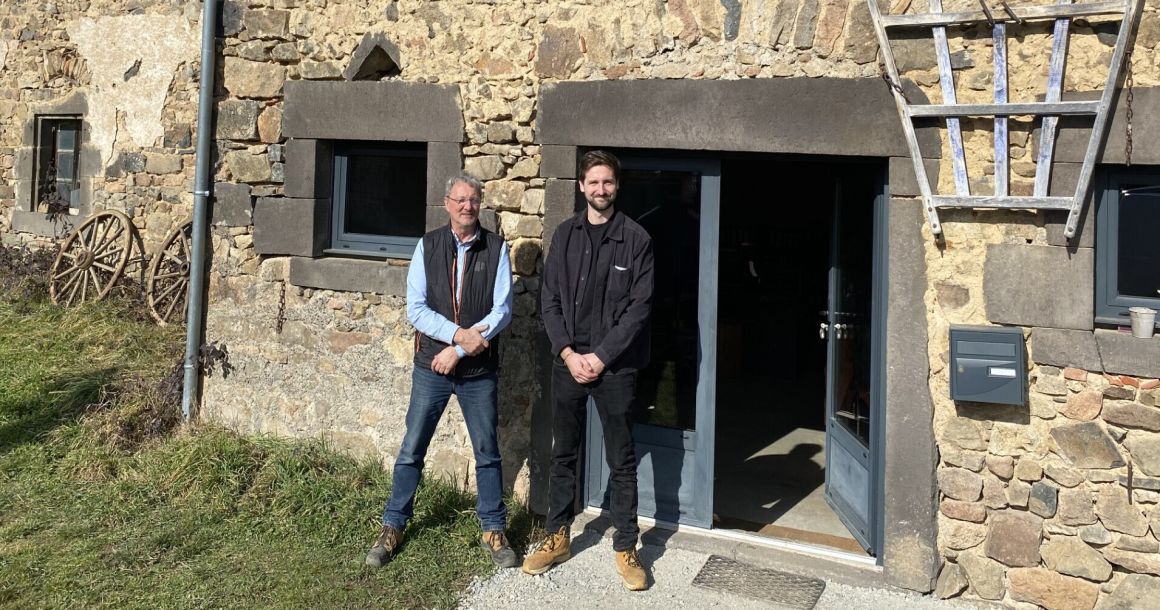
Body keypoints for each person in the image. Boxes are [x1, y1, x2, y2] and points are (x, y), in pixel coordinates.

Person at [366, 173, 517, 569]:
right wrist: (456, 338)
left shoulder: (497, 249)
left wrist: (459, 350)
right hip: (431, 367)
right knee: (412, 448)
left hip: (478, 372)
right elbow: (415, 308)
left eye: (474, 200)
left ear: (480, 205)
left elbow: (501, 312)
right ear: (447, 203)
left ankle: (493, 528)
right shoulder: (427, 245)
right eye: (461, 199)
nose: (468, 206)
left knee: (487, 452)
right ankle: (393, 525)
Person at [523, 150, 654, 590]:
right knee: (564, 453)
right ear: (581, 186)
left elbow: (639, 310)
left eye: (608, 183)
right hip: (569, 363)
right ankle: (557, 535)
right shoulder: (564, 236)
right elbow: (550, 300)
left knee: (622, 460)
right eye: (593, 183)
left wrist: (599, 358)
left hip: (614, 369)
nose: (601, 190)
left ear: (617, 186)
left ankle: (627, 547)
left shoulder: (636, 240)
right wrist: (566, 353)